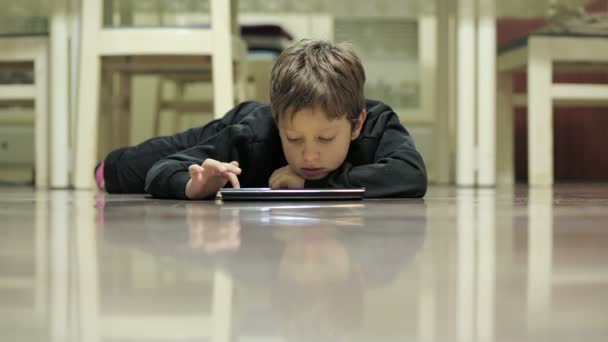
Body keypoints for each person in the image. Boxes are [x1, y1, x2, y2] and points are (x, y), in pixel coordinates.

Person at [96, 39, 427, 199]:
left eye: (325, 139)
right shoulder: (254, 135)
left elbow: (411, 175)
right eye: (294, 139)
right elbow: (162, 169)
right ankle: (104, 168)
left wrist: (313, 184)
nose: (309, 156)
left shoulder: (376, 123)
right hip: (239, 122)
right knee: (121, 172)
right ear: (279, 124)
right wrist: (193, 185)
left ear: (356, 124)